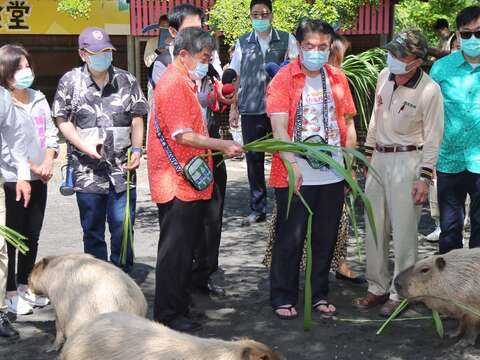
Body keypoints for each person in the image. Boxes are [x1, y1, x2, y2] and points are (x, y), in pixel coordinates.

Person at [147, 27, 243, 332]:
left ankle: (179, 307)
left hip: (185, 182)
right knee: (175, 253)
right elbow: (183, 135)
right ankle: (168, 315)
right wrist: (224, 145)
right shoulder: (174, 83)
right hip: (176, 183)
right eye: (204, 57)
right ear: (183, 54)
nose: (207, 63)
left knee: (184, 249)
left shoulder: (185, 81)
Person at [266, 18, 357, 319]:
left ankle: (318, 294)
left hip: (332, 173)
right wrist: (292, 165)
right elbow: (279, 128)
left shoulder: (337, 78)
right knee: (290, 237)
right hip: (295, 174)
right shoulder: (283, 78)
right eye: (309, 46)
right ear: (299, 46)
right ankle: (283, 295)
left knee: (325, 237)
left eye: (322, 47)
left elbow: (348, 124)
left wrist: (349, 165)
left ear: (330, 47)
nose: (315, 52)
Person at [353, 29, 444, 317]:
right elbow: (375, 121)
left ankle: (400, 292)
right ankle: (377, 287)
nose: (393, 59)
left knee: (404, 233)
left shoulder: (430, 90)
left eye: (400, 55)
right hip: (379, 158)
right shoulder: (384, 77)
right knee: (374, 227)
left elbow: (433, 137)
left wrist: (425, 178)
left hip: (409, 162)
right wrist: (366, 160)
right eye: (392, 52)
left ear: (416, 61)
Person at [53, 27, 148, 272]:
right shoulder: (70, 81)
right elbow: (61, 119)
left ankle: (123, 277)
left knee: (123, 227)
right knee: (92, 230)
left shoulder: (127, 80)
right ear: (83, 54)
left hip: (122, 168)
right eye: (97, 52)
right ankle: (98, 279)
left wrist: (137, 149)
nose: (103, 56)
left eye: (107, 51)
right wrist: (83, 145)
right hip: (87, 171)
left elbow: (138, 118)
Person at [0, 45, 59, 315]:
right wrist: (30, 166)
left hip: (39, 177)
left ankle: (24, 285)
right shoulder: (4, 101)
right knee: (11, 239)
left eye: (27, 66)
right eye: (18, 68)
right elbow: (9, 145)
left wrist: (48, 161)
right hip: (13, 178)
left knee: (31, 235)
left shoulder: (38, 97)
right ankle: (9, 291)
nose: (26, 72)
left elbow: (50, 133)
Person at [229, 0, 299, 227]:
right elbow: (236, 75)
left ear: (272, 15)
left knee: (287, 155)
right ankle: (257, 208)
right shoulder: (243, 42)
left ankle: (289, 203)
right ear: (250, 16)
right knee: (254, 160)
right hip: (251, 109)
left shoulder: (287, 39)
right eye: (255, 14)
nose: (260, 18)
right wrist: (233, 107)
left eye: (264, 13)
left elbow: (297, 70)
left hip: (280, 111)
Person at [430, 6, 480, 254]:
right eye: (467, 33)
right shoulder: (441, 69)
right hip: (449, 160)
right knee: (450, 230)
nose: (473, 39)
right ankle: (446, 290)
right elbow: (428, 116)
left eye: (479, 33)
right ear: (458, 36)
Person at [0, 85, 31, 337]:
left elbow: (13, 137)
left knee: (0, 249)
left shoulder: (1, 97)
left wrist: (22, 176)